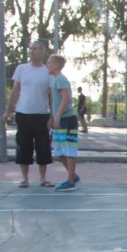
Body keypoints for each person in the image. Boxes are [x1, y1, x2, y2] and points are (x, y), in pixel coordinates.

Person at [1, 41, 53, 188]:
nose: (32, 51)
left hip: (42, 115)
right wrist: (8, 111)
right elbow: (15, 91)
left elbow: (51, 96)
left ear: (42, 53)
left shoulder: (47, 71)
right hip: (23, 114)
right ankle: (25, 179)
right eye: (30, 48)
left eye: (35, 49)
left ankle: (43, 178)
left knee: (43, 147)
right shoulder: (21, 69)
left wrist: (52, 116)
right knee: (23, 146)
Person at [47, 54, 81, 192]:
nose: (47, 65)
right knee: (59, 152)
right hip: (61, 120)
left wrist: (58, 116)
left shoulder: (60, 79)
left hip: (67, 119)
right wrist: (53, 117)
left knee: (68, 150)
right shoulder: (56, 80)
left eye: (49, 63)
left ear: (56, 65)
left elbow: (65, 97)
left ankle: (70, 181)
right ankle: (73, 175)